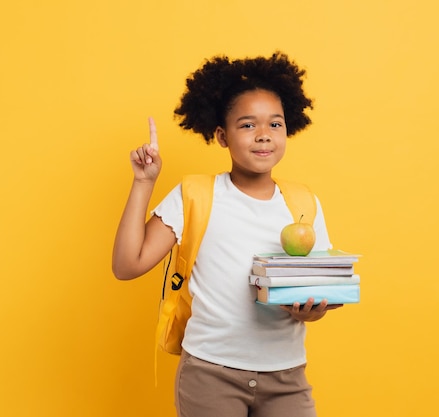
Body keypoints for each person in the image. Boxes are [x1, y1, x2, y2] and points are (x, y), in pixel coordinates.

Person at [112, 52, 341, 417]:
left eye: (275, 124)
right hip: (210, 375)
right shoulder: (195, 195)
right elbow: (127, 265)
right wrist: (143, 182)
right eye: (248, 125)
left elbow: (318, 294)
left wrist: (311, 311)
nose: (264, 135)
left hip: (287, 376)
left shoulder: (304, 202)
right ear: (221, 135)